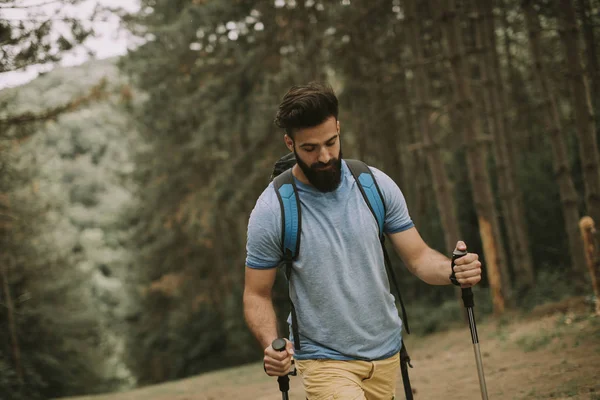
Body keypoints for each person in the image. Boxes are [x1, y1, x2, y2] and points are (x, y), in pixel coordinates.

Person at [243, 82, 482, 399]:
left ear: (339, 128)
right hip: (324, 359)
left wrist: (453, 271)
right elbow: (256, 293)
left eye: (331, 142)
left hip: (385, 353)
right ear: (290, 143)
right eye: (310, 148)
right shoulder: (274, 209)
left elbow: (419, 257)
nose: (325, 156)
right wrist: (271, 344)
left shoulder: (374, 185)